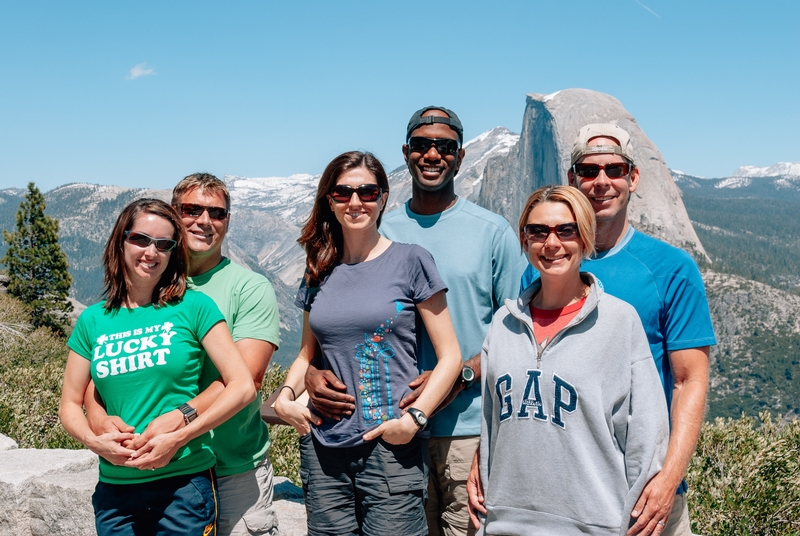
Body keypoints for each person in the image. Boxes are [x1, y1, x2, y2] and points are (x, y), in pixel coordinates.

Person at [304, 106, 528, 536]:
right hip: (380, 433)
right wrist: (312, 372)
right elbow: (343, 317)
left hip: (465, 429)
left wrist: (461, 375)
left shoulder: (492, 232)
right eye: (422, 146)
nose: (432, 155)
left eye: (444, 146)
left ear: (459, 157)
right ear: (406, 154)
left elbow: (517, 332)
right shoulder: (375, 224)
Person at [514, 124, 717, 535]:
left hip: (643, 499)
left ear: (633, 178)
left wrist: (668, 481)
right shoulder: (544, 268)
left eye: (614, 169)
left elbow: (689, 381)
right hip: (559, 498)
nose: (601, 181)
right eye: (588, 171)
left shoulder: (670, 268)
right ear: (572, 180)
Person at [273, 151, 462, 536]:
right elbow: (306, 354)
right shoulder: (318, 267)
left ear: (383, 198)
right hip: (324, 447)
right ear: (330, 200)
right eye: (343, 192)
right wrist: (286, 399)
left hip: (390, 447)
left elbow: (451, 356)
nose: (355, 202)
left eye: (367, 191)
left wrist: (414, 419)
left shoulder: (411, 261)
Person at [84, 174, 283, 536]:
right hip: (150, 470)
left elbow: (247, 379)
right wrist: (98, 423)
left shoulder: (249, 288)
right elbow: (103, 370)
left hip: (232, 465)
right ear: (175, 216)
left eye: (217, 213)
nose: (204, 221)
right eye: (192, 210)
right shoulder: (146, 281)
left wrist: (180, 421)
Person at [468, 185, 669, 535]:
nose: (551, 243)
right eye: (538, 231)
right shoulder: (503, 324)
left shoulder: (619, 322)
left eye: (566, 230)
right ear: (524, 238)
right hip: (505, 524)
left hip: (594, 525)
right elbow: (492, 423)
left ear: (585, 237)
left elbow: (646, 435)